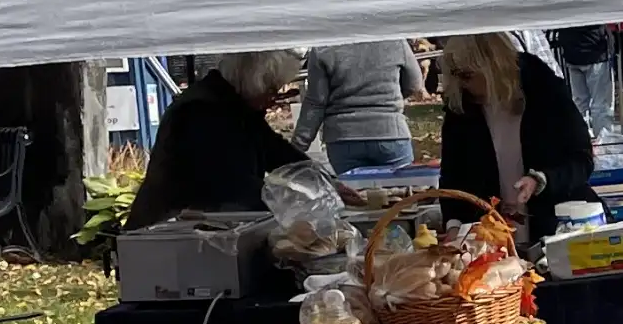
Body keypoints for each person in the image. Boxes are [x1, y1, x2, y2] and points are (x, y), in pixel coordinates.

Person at [126, 51, 321, 230]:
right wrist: (293, 202)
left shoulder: (237, 104)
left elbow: (276, 149)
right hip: (166, 233)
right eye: (271, 90)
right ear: (254, 81)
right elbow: (232, 183)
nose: (272, 100)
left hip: (206, 227)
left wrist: (321, 181)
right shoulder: (201, 112)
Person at [436, 33, 594, 243]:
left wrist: (542, 179)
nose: (461, 83)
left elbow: (581, 160)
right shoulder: (461, 107)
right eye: (454, 74)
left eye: (466, 75)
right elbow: (452, 174)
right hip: (491, 236)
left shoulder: (544, 90)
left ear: (493, 66)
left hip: (557, 228)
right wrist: (454, 224)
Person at [294, 40, 424, 174]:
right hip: (390, 133)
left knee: (352, 193)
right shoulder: (395, 41)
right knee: (402, 191)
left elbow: (315, 103)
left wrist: (296, 147)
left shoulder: (324, 47)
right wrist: (389, 100)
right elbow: (414, 85)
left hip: (342, 138)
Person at [550, 26, 619, 139]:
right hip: (595, 49)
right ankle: (604, 142)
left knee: (579, 102)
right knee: (600, 104)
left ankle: (581, 140)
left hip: (571, 51)